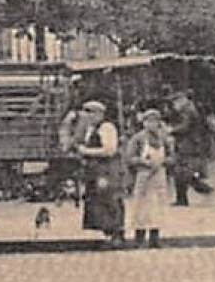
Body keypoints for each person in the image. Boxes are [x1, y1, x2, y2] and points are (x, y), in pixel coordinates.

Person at [71, 100, 126, 246]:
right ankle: (107, 233)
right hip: (95, 169)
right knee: (98, 200)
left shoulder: (107, 128)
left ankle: (117, 233)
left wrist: (86, 151)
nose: (87, 116)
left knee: (109, 199)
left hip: (107, 169)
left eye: (91, 112)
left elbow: (109, 150)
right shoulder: (90, 128)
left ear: (100, 114)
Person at [125, 109, 170, 247]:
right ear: (143, 123)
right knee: (141, 206)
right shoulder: (137, 139)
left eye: (155, 121)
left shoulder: (164, 138)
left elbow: (172, 156)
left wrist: (164, 161)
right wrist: (143, 162)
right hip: (143, 176)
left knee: (157, 207)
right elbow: (129, 157)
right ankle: (139, 238)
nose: (151, 124)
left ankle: (155, 238)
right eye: (148, 121)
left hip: (159, 176)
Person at [166, 92, 213, 205]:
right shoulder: (190, 110)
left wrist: (171, 130)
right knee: (181, 171)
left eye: (175, 102)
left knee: (182, 171)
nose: (174, 105)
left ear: (181, 100)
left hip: (188, 145)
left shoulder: (187, 111)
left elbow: (185, 127)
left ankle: (197, 189)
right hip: (189, 144)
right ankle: (184, 196)